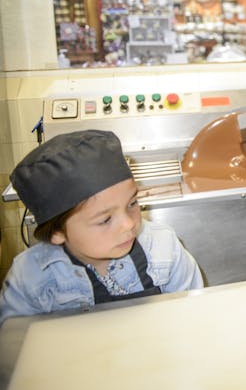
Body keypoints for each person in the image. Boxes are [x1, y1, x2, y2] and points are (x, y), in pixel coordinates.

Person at [0, 130, 204, 324]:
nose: (129, 224)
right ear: (57, 231)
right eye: (105, 219)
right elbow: (15, 348)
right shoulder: (30, 279)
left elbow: (193, 318)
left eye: (132, 204)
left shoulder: (164, 249)